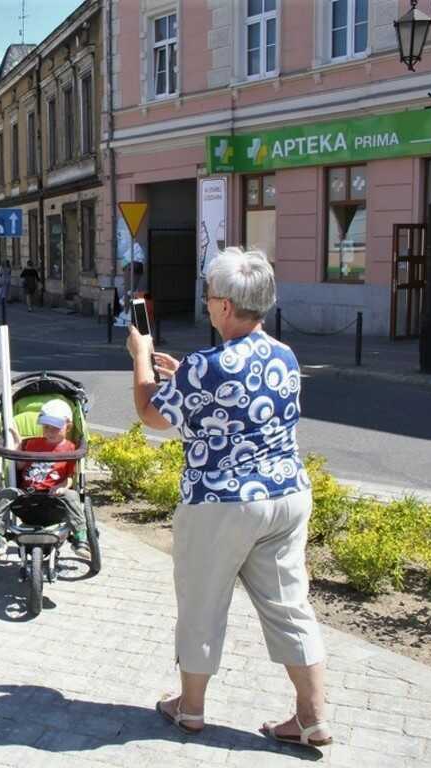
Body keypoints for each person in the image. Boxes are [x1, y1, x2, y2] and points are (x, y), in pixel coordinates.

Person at [127, 247, 330, 748]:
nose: (207, 302)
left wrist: (140, 358)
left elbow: (151, 413)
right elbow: (239, 400)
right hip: (286, 495)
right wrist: (188, 376)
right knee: (289, 606)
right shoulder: (284, 354)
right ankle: (311, 718)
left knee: (202, 601)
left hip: (221, 501)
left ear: (223, 305)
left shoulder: (205, 366)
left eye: (208, 295)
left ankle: (190, 709)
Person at [0, 398, 90, 561]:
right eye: (46, 426)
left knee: (73, 496)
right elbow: (20, 467)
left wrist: (63, 487)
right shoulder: (32, 443)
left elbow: (70, 477)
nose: (49, 431)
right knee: (5, 493)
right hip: (26, 493)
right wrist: (19, 446)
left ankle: (80, 537)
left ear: (68, 425)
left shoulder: (71, 448)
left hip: (54, 496)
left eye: (55, 427)